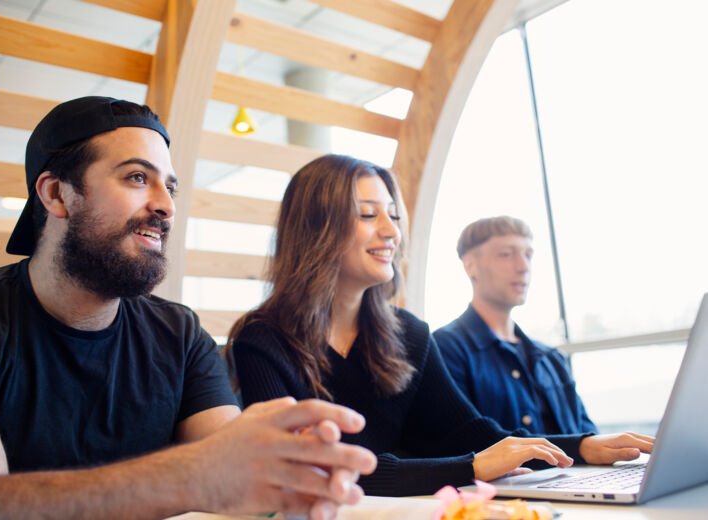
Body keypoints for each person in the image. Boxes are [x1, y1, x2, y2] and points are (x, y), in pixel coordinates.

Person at [0, 97, 377, 520]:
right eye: (137, 178)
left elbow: (231, 466)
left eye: (171, 186)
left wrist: (290, 477)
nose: (165, 205)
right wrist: (192, 475)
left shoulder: (179, 334)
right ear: (56, 195)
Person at [227, 154, 653, 497]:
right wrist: (468, 467)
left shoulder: (408, 334)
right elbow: (313, 471)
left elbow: (471, 433)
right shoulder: (262, 340)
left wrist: (578, 448)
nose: (391, 231)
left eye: (393, 215)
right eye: (368, 215)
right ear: (316, 227)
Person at [432, 216, 596, 435]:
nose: (523, 266)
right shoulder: (444, 350)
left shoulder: (551, 358)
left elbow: (592, 440)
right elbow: (465, 442)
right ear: (470, 265)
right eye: (506, 255)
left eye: (528, 255)